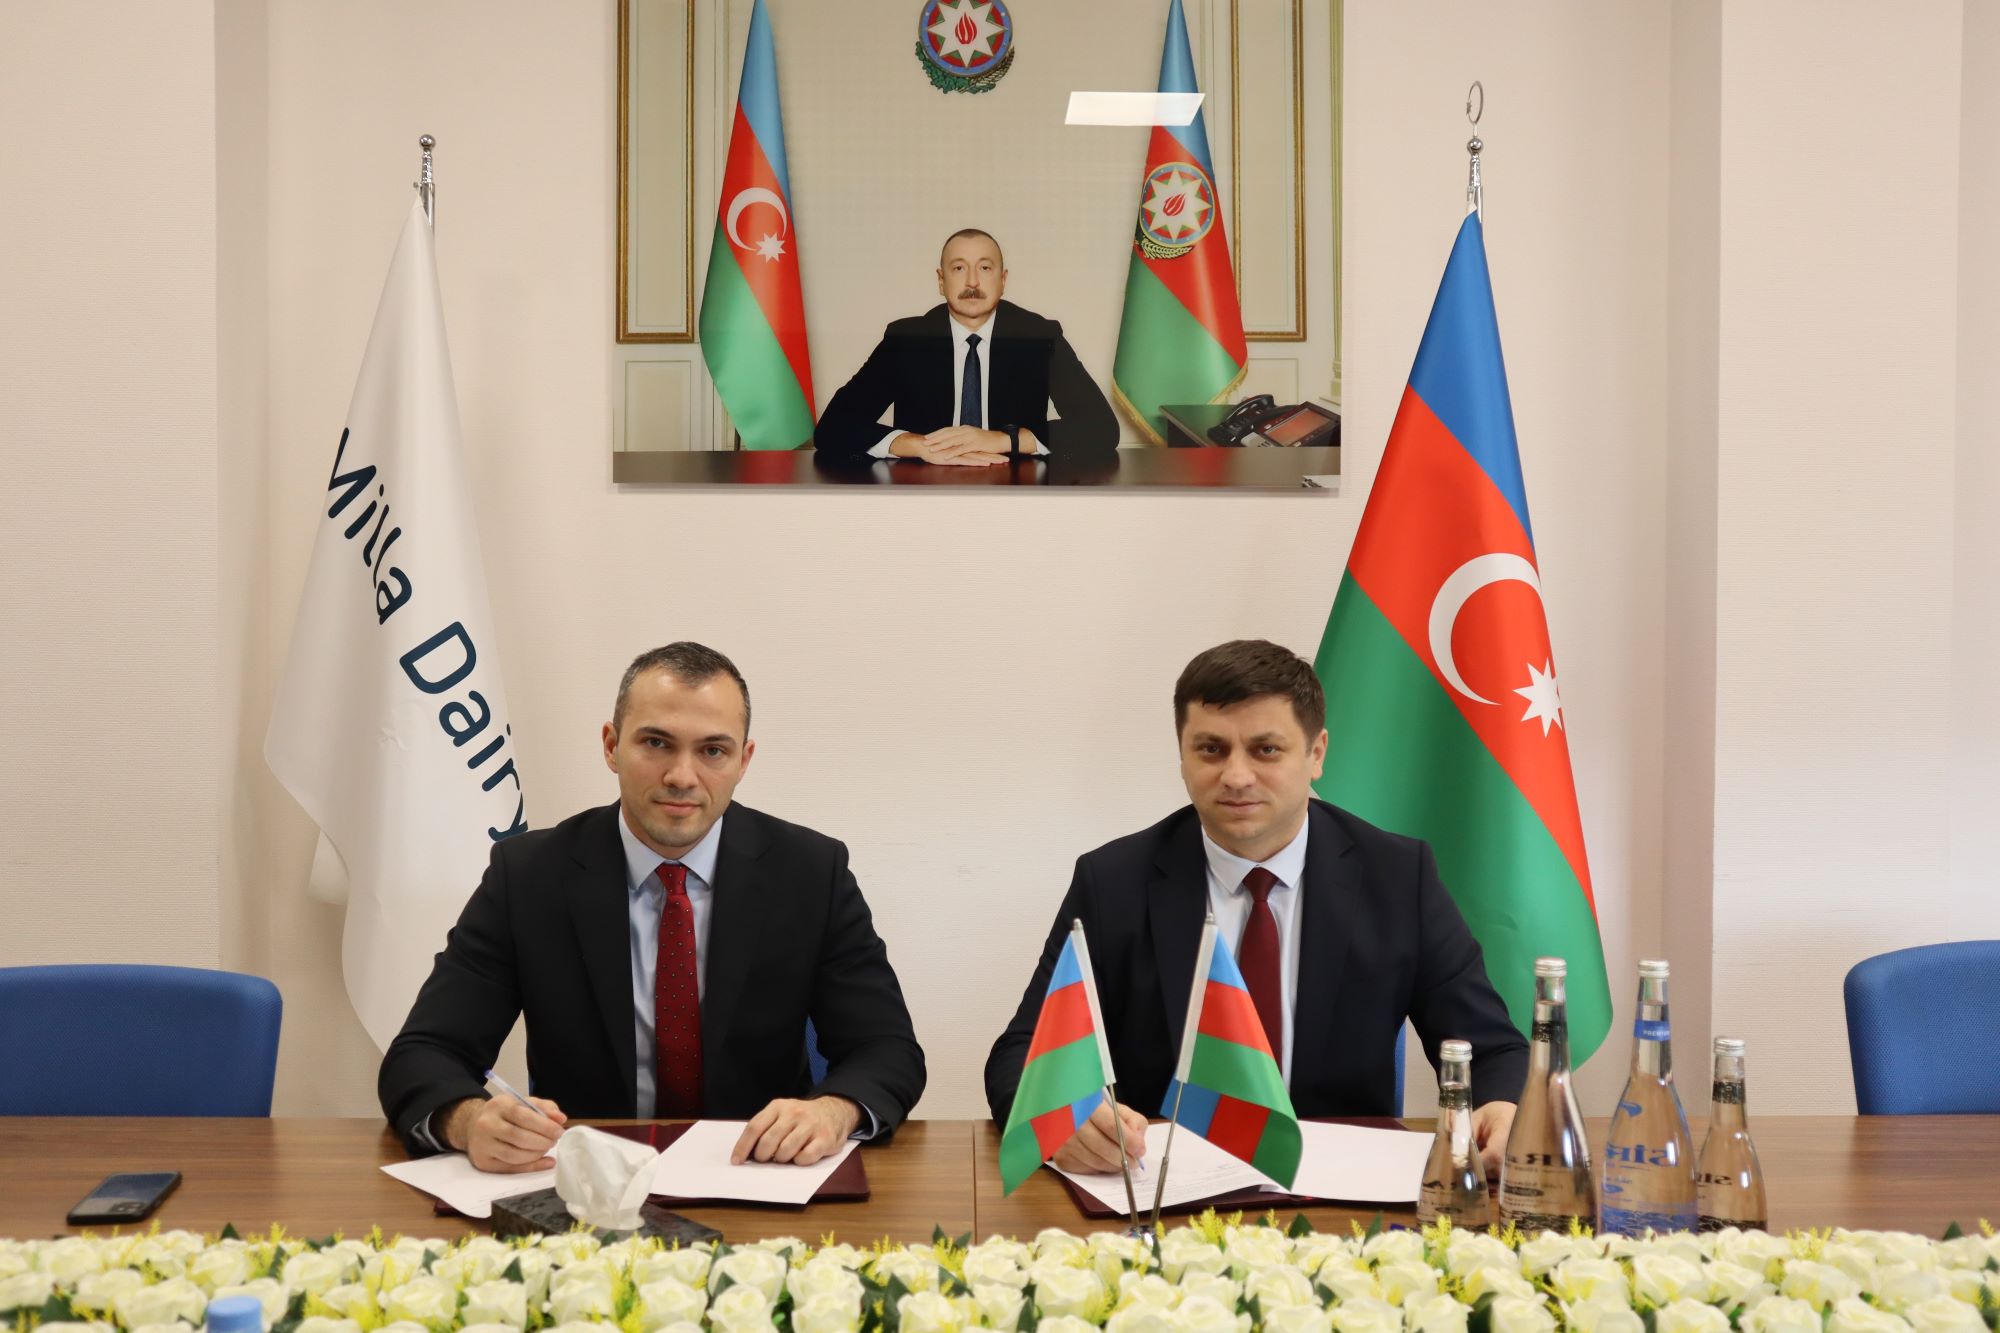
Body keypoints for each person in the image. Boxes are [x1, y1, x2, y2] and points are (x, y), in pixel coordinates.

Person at [985, 640, 1527, 1176]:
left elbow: (1495, 1050)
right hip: (1164, 1192)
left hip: (1340, 1193)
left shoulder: (1398, 877)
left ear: (1316, 754)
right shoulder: (1113, 881)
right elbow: (1021, 1052)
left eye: (1266, 750)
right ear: (1182, 757)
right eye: (1211, 749)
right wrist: (1061, 1120)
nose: (1236, 776)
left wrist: (1503, 1107)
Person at [379, 643, 926, 1172]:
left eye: (713, 751)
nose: (681, 777)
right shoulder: (528, 876)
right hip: (586, 1187)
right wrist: (468, 1120)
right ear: (611, 745)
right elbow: (424, 1052)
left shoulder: (810, 873)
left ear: (743, 761)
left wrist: (833, 1111)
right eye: (657, 743)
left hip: (758, 1177)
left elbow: (887, 1048)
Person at [813, 228, 1119, 464]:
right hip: (924, 491)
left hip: (1015, 491)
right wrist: (919, 445)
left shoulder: (1039, 337)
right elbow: (833, 427)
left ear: (1003, 280)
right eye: (959, 268)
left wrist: (1004, 440)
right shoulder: (906, 340)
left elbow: (1101, 427)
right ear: (941, 280)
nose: (972, 282)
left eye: (985, 268)